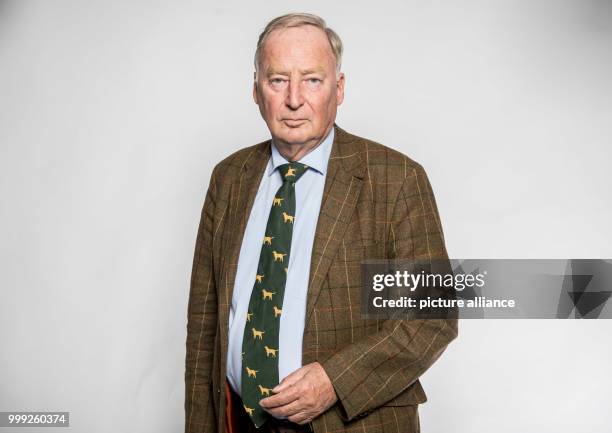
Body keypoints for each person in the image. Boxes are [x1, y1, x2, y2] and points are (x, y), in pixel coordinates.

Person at [185, 12, 458, 433]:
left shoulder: (396, 178)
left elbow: (431, 318)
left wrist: (335, 381)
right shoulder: (228, 179)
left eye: (312, 79)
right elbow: (204, 329)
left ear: (339, 88)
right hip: (239, 421)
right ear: (256, 89)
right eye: (278, 80)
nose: (294, 99)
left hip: (353, 423)